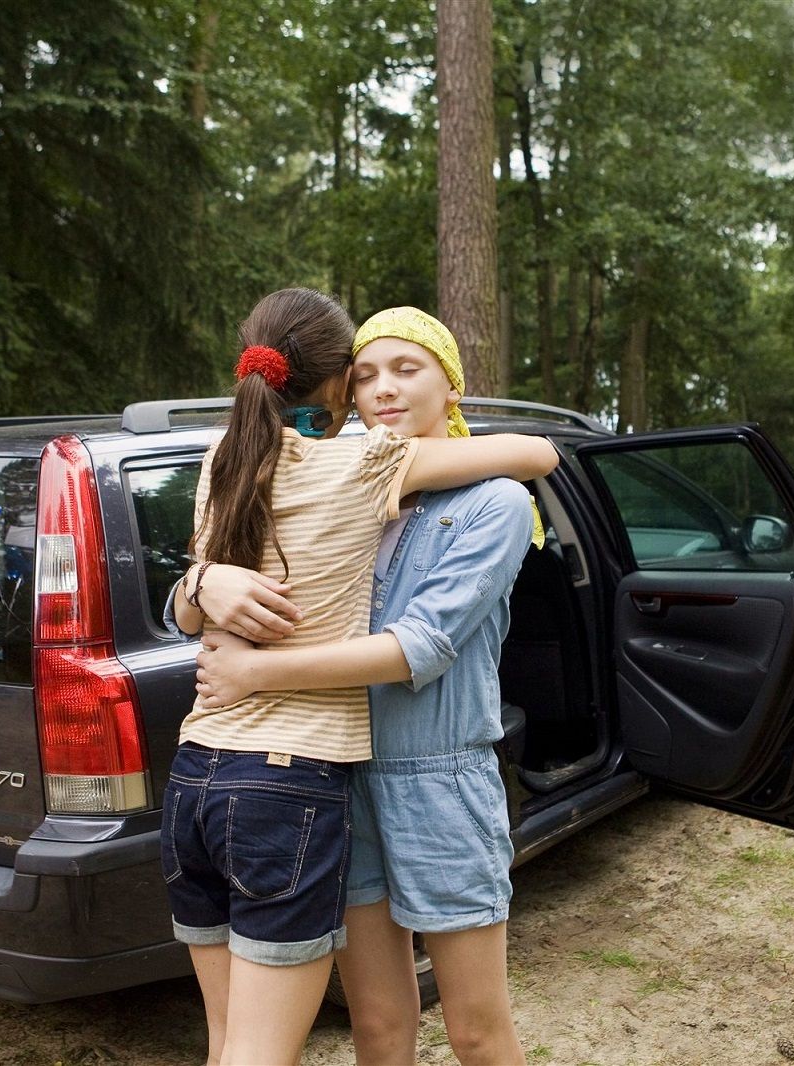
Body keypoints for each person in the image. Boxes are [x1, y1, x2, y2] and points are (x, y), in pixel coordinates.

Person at [161, 290, 558, 1066]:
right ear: (341, 385)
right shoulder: (350, 481)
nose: (383, 388)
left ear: (452, 386)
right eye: (366, 371)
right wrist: (200, 583)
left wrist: (255, 671)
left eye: (407, 369)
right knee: (377, 1024)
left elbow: (421, 647)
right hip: (333, 780)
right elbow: (222, 575)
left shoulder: (492, 503)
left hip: (441, 783)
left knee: (476, 1029)